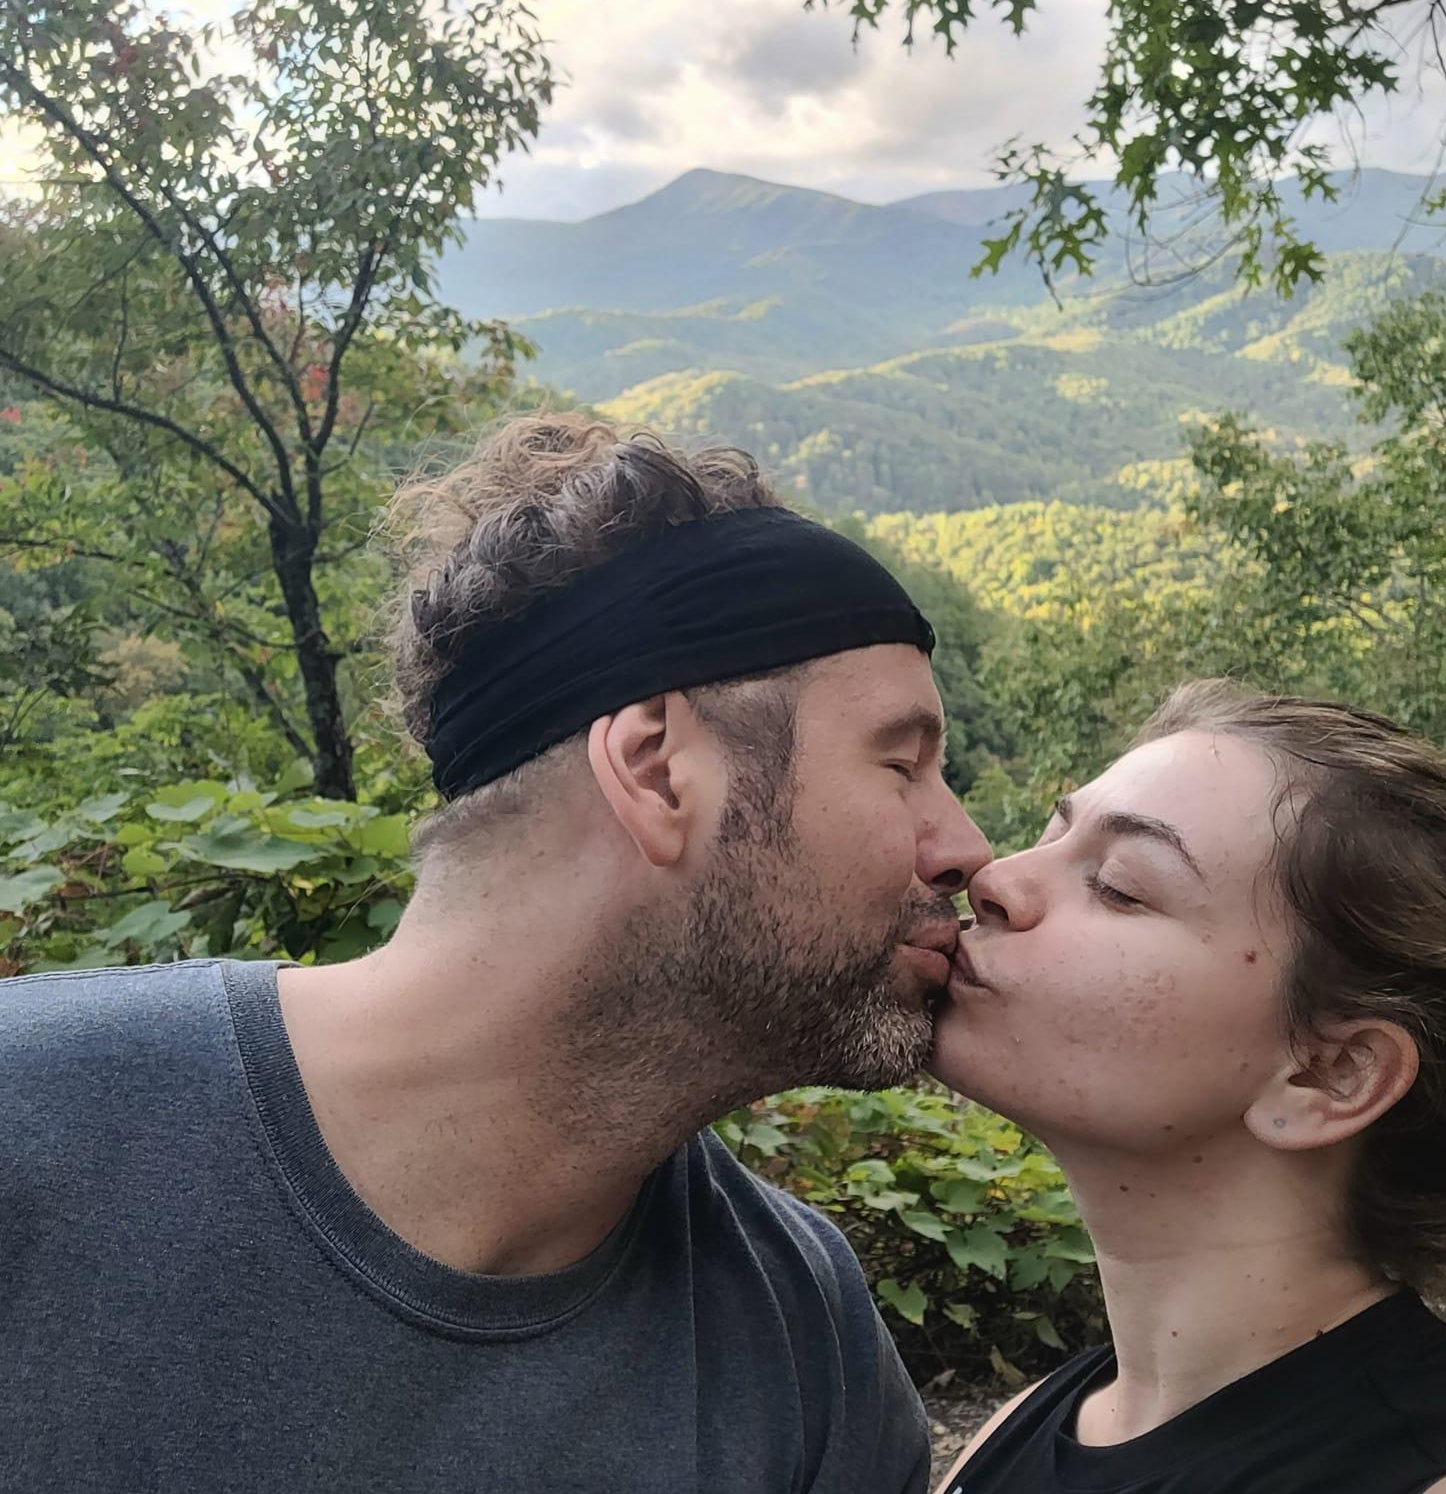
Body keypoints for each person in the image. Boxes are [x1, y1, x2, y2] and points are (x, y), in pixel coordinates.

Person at [0, 416, 991, 1493]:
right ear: (656, 770)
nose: (967, 849)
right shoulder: (32, 1136)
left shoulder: (804, 1342)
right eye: (901, 765)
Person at [933, 679, 1446, 1494]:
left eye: (1119, 885)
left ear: (1328, 1075)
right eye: (1050, 836)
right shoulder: (1011, 1435)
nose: (995, 878)